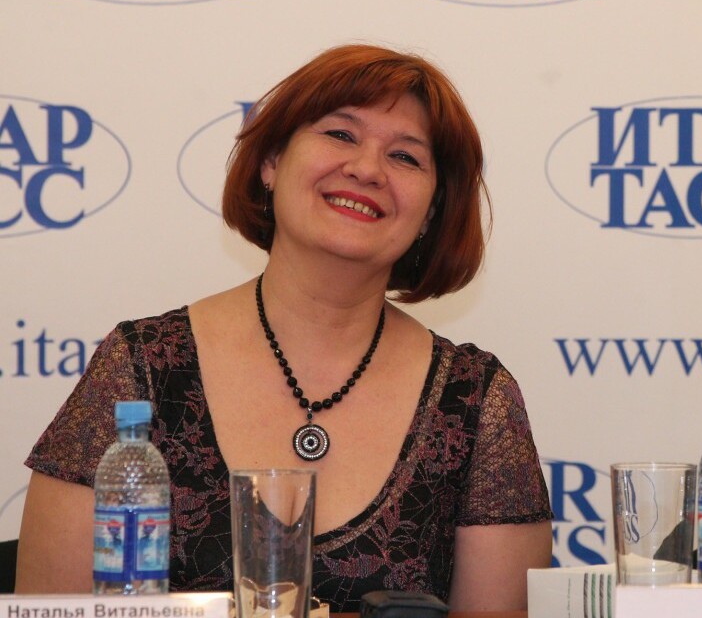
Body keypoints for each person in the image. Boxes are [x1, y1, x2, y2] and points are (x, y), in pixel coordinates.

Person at [15, 45, 553, 610]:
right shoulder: (141, 366)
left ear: (431, 212)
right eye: (340, 135)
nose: (367, 169)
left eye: (405, 157)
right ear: (271, 162)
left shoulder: (475, 400)